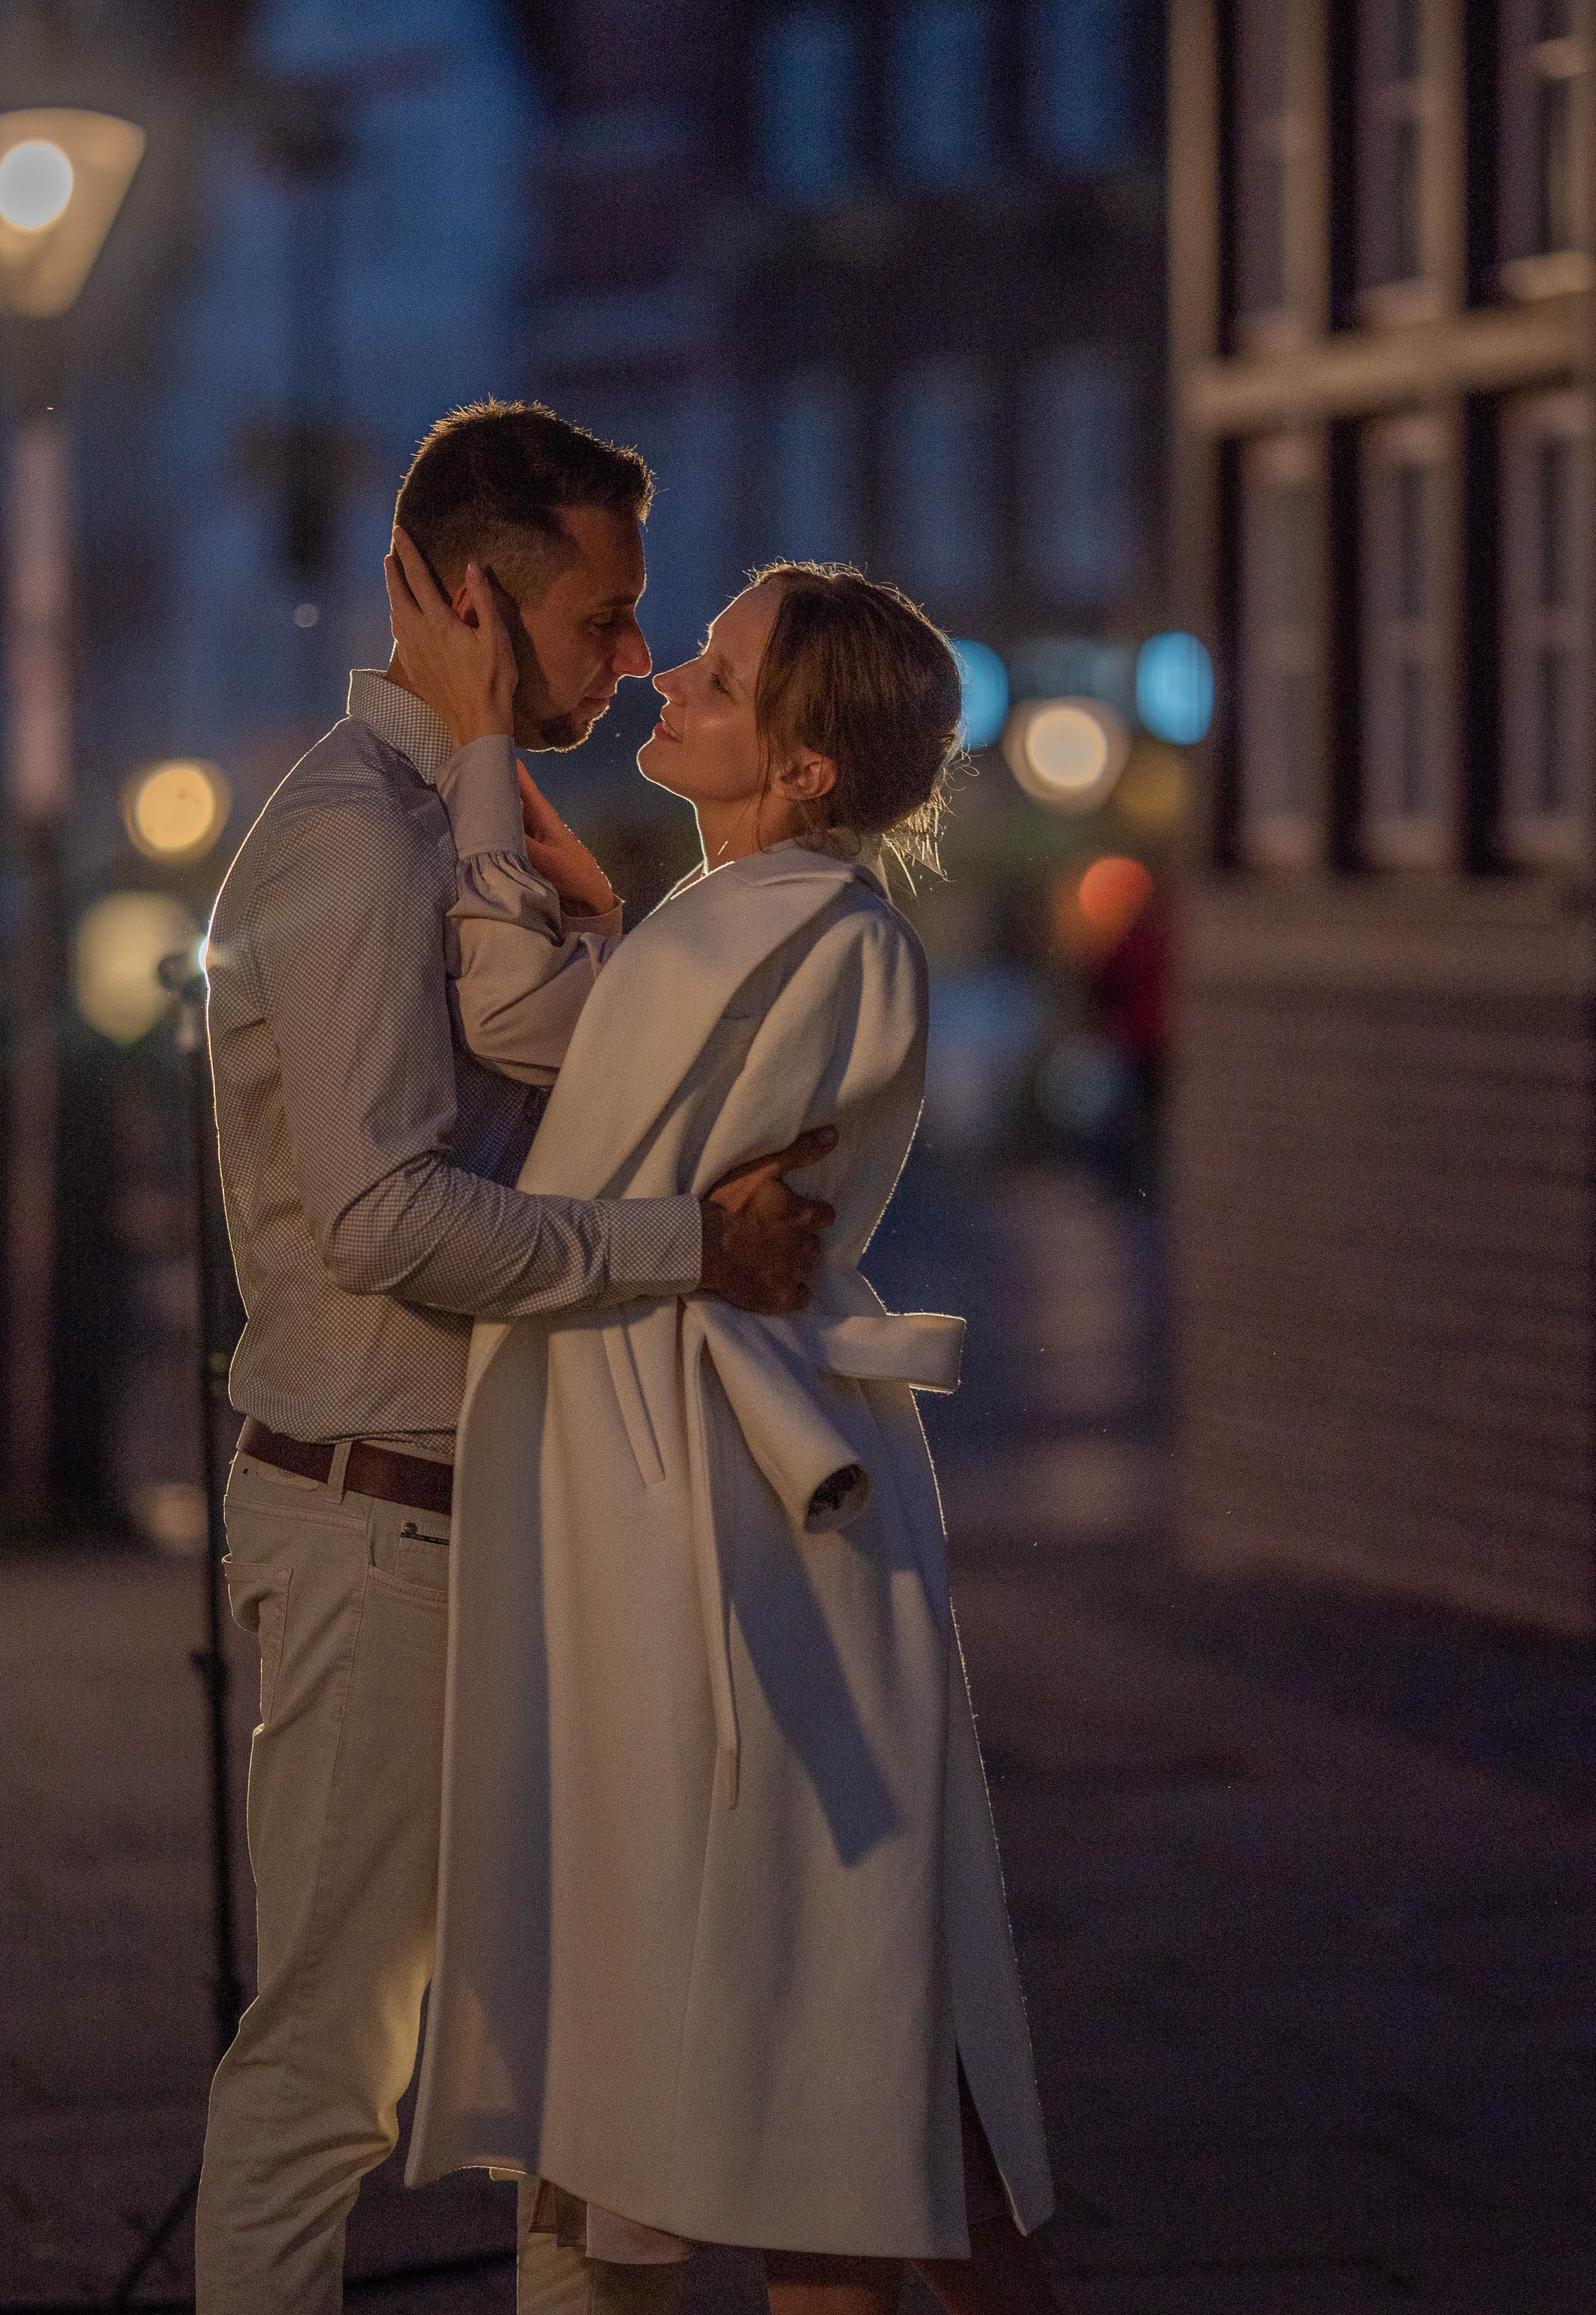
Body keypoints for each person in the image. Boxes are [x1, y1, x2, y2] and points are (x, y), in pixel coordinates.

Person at [193, 402, 835, 2315]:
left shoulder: (457, 823)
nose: (632, 657)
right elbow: (388, 1215)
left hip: (510, 1523)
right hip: (382, 1530)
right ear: (482, 604)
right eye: (605, 616)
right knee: (328, 2071)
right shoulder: (350, 842)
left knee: (581, 2073)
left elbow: (566, 1064)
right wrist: (680, 1258)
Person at [400, 560, 1060, 2315]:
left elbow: (538, 1074)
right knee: (844, 2000)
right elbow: (611, 1073)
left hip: (720, 1504)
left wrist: (479, 762)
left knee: (801, 2003)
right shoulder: (767, 933)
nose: (669, 677)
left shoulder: (785, 938)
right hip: (729, 1484)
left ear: (806, 768)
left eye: (720, 669)